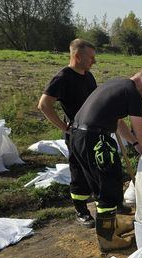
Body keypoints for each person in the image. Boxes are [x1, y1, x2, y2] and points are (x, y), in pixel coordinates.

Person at [70, 67, 142, 252]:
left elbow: (119, 123)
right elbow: (141, 130)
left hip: (78, 136)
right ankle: (107, 239)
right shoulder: (133, 94)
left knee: (99, 184)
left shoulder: (116, 84)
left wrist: (135, 144)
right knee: (109, 185)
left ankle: (111, 225)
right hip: (96, 140)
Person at [38, 39, 98, 228]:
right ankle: (81, 211)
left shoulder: (88, 76)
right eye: (91, 57)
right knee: (79, 171)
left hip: (94, 132)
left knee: (96, 169)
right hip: (77, 134)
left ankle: (103, 204)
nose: (94, 61)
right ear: (77, 56)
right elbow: (44, 105)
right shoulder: (63, 78)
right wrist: (65, 128)